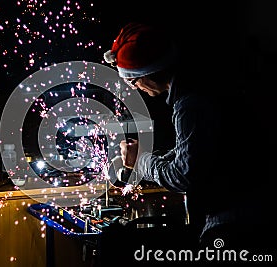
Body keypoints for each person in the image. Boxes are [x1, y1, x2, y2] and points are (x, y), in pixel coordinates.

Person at [104, 21, 275, 255]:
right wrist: (147, 159)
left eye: (133, 81)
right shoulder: (204, 85)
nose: (135, 88)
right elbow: (194, 152)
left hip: (235, 226)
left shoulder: (190, 105)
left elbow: (183, 176)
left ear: (150, 72)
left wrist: (141, 161)